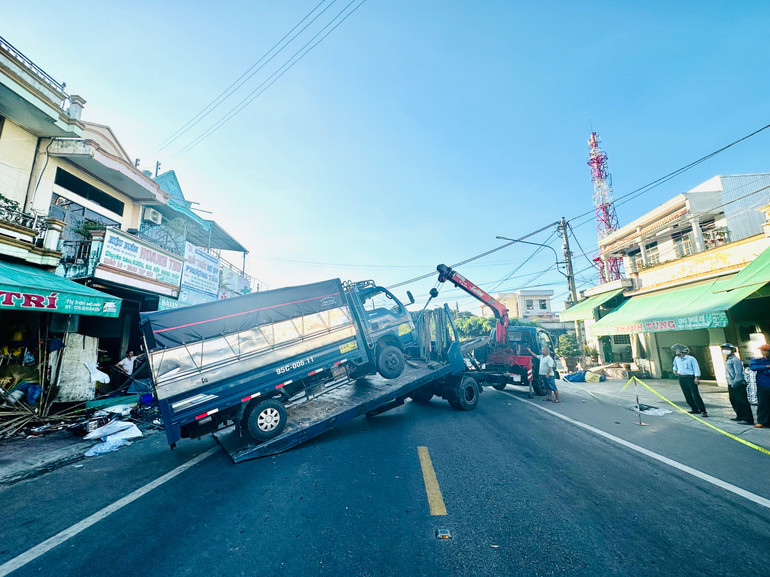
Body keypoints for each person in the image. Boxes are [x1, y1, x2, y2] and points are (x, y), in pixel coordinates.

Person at [721, 343, 753, 425]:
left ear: (732, 350)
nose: (725, 350)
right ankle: (740, 416)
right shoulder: (728, 359)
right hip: (731, 383)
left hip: (737, 384)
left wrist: (734, 383)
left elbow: (738, 374)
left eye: (727, 349)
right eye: (724, 349)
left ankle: (747, 418)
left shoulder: (735, 360)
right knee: (734, 400)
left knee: (742, 401)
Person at [671, 344, 707, 417]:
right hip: (681, 378)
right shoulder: (676, 358)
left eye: (677, 349)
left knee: (695, 394)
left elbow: (696, 368)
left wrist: (696, 377)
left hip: (690, 377)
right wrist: (675, 370)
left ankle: (703, 411)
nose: (676, 351)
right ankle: (694, 409)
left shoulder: (691, 359)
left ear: (682, 350)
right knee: (687, 394)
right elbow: (675, 365)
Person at [749, 344, 770, 429]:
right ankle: (762, 421)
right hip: (762, 384)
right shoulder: (757, 359)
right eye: (762, 350)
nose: (763, 352)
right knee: (763, 404)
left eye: (765, 350)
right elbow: (753, 367)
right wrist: (766, 366)